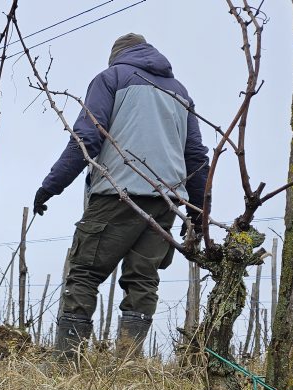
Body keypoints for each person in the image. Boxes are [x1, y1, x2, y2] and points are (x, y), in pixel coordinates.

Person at [33, 33, 209, 356]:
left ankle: (65, 363)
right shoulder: (181, 92)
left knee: (84, 271)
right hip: (166, 203)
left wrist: (50, 185)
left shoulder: (110, 78)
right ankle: (128, 366)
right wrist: (197, 214)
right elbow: (195, 156)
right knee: (143, 279)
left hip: (117, 194)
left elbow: (86, 137)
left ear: (117, 57)